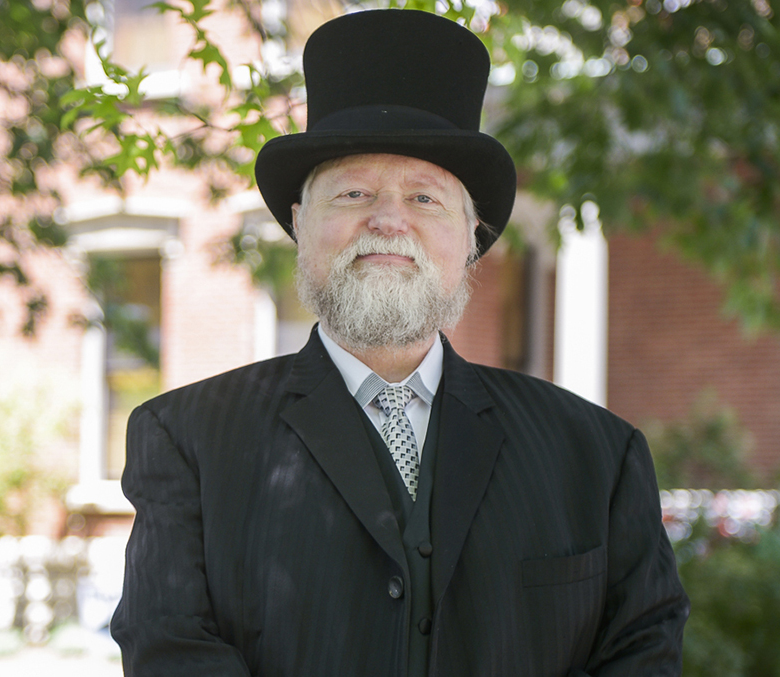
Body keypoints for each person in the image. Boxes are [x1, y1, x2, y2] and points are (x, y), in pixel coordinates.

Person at [111, 9, 689, 677]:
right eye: (353, 191)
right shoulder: (186, 441)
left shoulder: (600, 456)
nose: (387, 220)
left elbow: (641, 651)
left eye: (424, 198)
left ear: (471, 237)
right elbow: (169, 653)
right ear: (301, 224)